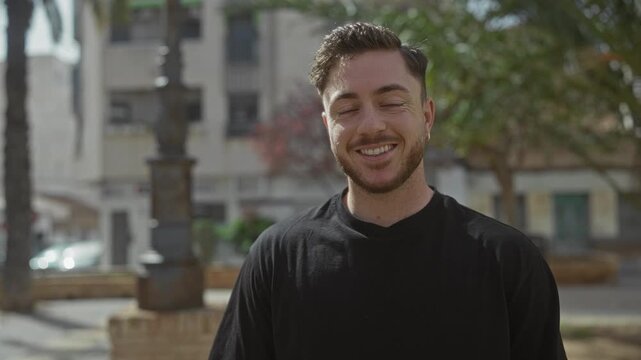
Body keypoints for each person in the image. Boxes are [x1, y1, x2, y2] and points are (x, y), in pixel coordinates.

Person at [209, 22, 566, 360]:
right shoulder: (277, 260)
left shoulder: (508, 261)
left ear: (427, 117)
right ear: (327, 126)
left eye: (392, 103)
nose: (371, 125)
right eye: (347, 109)